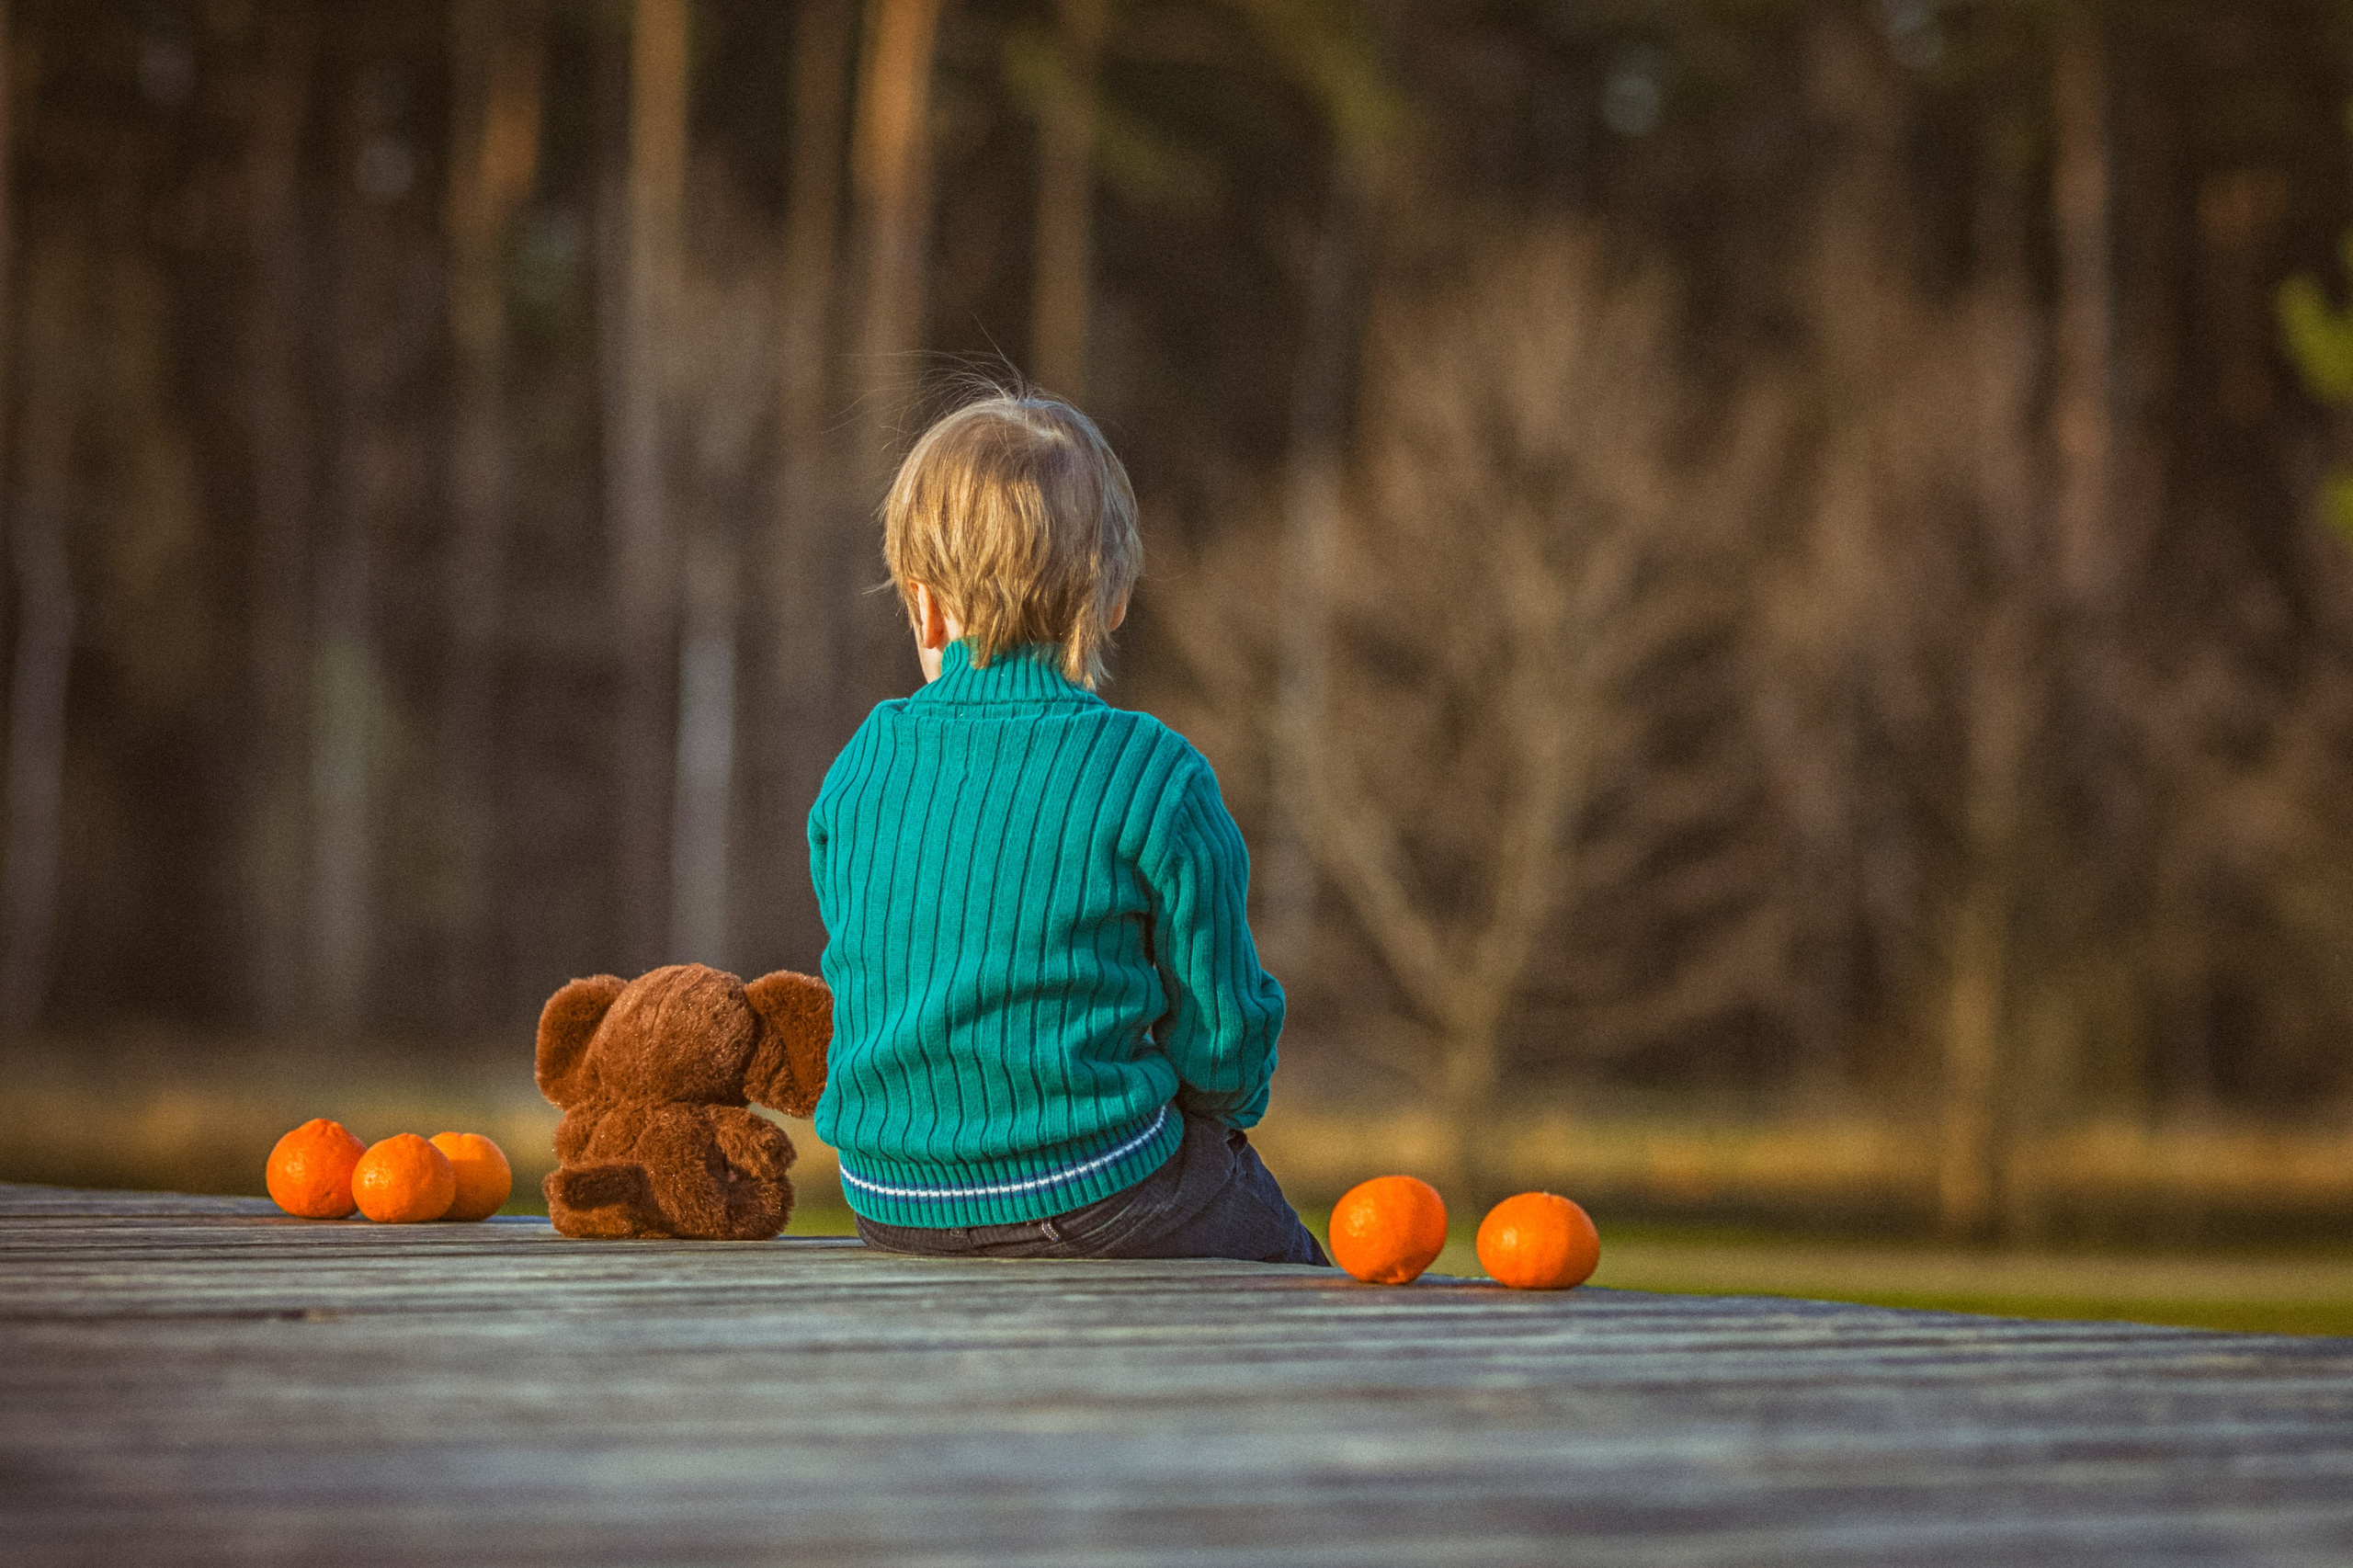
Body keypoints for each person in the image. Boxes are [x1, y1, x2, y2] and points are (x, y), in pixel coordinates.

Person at [808, 390, 1327, 1266]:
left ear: (925, 606)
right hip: (1098, 1185)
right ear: (1110, 599)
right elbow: (1223, 1031)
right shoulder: (1153, 774)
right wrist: (1223, 1108)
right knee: (1305, 1284)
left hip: (888, 1196)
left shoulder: (863, 763)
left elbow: (865, 970)